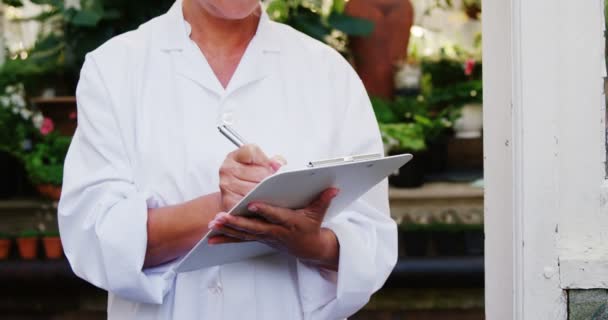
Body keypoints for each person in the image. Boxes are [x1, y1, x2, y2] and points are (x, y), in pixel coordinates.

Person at [58, 0, 398, 319]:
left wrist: (311, 243)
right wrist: (229, 206)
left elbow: (372, 241)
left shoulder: (327, 73)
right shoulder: (116, 68)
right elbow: (94, 237)